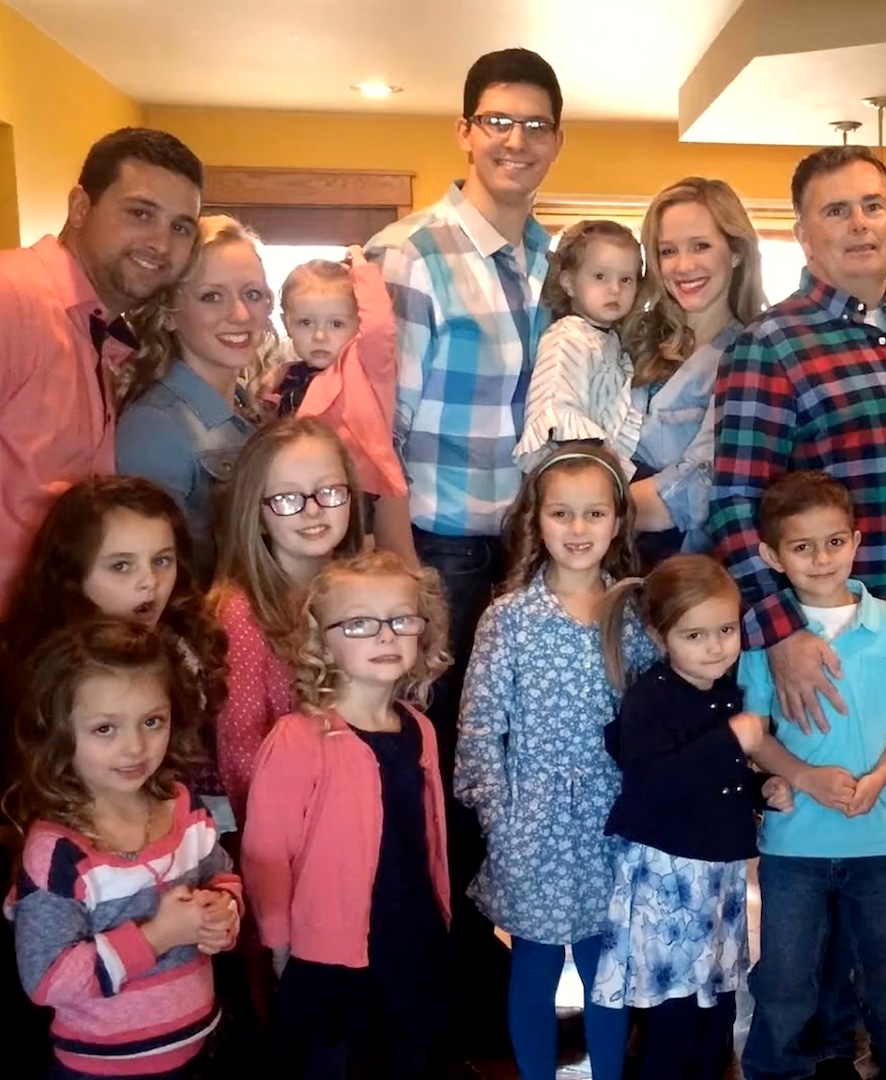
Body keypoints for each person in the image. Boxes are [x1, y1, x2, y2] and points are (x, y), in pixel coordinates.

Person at [709, 145, 886, 1033]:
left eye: (873, 205)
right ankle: (821, 1042)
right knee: (822, 867)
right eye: (836, 210)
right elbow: (736, 503)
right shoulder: (772, 345)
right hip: (829, 666)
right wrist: (781, 631)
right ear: (803, 232)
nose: (860, 224)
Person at [365, 46, 564, 1046]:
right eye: (498, 120)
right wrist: (400, 573)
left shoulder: (558, 261)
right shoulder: (408, 254)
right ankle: (428, 1000)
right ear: (465, 131)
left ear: (556, 140)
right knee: (430, 770)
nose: (516, 141)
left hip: (529, 554)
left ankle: (486, 987)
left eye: (535, 124)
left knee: (503, 771)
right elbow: (373, 430)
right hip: (438, 550)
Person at [455, 443, 649, 1080]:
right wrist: (498, 816)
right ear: (536, 520)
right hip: (530, 822)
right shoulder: (508, 619)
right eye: (561, 513)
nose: (577, 528)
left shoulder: (635, 614)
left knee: (605, 967)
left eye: (594, 513)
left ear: (617, 521)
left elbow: (656, 720)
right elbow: (480, 724)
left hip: (612, 822)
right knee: (534, 965)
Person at [738, 471, 886, 1080]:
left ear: (855, 541)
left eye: (833, 542)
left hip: (880, 840)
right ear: (773, 555)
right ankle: (777, 1071)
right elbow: (754, 734)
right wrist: (804, 777)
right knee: (784, 979)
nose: (821, 559)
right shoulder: (766, 640)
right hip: (794, 843)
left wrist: (879, 777)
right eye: (802, 547)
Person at [242, 551, 451, 1079]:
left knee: (408, 1056)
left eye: (401, 620)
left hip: (411, 931)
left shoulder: (420, 728)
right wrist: (279, 944)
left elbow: (427, 836)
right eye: (359, 624)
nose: (385, 636)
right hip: (330, 951)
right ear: (322, 641)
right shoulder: (299, 738)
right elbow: (267, 854)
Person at [5, 618, 242, 1079]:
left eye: (152, 722)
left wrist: (223, 911)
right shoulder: (58, 852)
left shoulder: (184, 807)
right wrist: (158, 936)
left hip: (199, 1050)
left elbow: (223, 877)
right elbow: (46, 978)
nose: (135, 747)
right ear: (58, 731)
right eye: (105, 729)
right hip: (100, 1070)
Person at [592, 554, 792, 1080]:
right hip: (669, 879)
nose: (715, 647)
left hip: (717, 877)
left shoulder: (726, 691)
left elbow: (716, 781)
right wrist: (731, 742)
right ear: (660, 637)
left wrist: (760, 791)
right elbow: (655, 784)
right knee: (674, 1017)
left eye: (725, 630)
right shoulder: (649, 700)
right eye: (695, 635)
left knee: (717, 1007)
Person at [0, 127, 202, 615]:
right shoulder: (12, 297)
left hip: (50, 637)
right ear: (79, 207)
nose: (161, 243)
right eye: (140, 214)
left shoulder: (97, 332)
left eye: (180, 227)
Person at [0, 476, 231, 832]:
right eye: (121, 566)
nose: (149, 581)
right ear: (73, 574)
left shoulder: (182, 641)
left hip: (188, 819)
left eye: (162, 560)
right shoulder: (49, 672)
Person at [209, 417, 367, 825]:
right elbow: (241, 750)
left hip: (361, 802)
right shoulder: (241, 614)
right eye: (287, 499)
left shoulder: (367, 590)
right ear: (257, 514)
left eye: (329, 492)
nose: (313, 509)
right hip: (290, 821)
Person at [116, 214, 274, 583]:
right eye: (211, 297)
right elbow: (157, 584)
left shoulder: (252, 409)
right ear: (169, 314)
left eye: (252, 294)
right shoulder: (154, 429)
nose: (241, 314)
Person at [623, 176, 767, 563]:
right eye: (668, 251)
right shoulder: (632, 337)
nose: (683, 266)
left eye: (701, 246)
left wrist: (582, 509)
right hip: (601, 564)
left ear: (735, 252)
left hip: (686, 572)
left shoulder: (754, 352)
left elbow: (697, 490)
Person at [267, 252, 411, 559]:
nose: (320, 335)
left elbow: (380, 326)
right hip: (300, 495)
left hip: (354, 491)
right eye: (305, 322)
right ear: (286, 323)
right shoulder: (288, 375)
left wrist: (362, 267)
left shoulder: (367, 366)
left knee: (352, 565)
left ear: (358, 324)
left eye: (336, 323)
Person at [514, 219, 643, 476]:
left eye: (626, 279)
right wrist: (595, 454)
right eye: (600, 276)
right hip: (572, 470)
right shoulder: (567, 338)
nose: (615, 289)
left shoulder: (610, 339)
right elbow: (555, 405)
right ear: (569, 283)